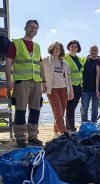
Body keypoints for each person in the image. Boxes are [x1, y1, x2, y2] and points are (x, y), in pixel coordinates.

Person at [5, 20, 46, 148]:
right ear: (26, 28)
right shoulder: (15, 43)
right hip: (21, 81)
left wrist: (44, 81)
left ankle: (33, 136)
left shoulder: (37, 46)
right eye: (31, 27)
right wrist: (9, 79)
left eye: (35, 28)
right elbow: (8, 62)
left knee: (35, 110)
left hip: (36, 82)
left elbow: (41, 65)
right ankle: (21, 138)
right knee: (20, 109)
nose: (33, 29)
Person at [43, 42, 74, 137]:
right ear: (51, 49)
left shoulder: (64, 63)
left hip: (64, 88)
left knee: (62, 111)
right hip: (52, 89)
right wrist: (42, 83)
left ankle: (56, 130)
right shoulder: (45, 60)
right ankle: (63, 131)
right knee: (58, 111)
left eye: (59, 49)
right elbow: (41, 73)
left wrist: (71, 91)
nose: (57, 50)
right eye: (55, 48)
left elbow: (68, 78)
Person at [64, 40, 83, 131]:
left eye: (76, 46)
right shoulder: (64, 57)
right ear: (69, 47)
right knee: (70, 108)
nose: (74, 48)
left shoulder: (79, 59)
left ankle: (69, 127)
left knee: (72, 108)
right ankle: (71, 128)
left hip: (79, 86)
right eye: (72, 46)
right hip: (69, 86)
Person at [81, 45, 100, 123]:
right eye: (92, 50)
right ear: (89, 51)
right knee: (84, 108)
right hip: (85, 89)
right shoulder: (84, 60)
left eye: (95, 50)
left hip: (97, 90)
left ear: (98, 52)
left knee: (95, 109)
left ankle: (93, 125)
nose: (94, 52)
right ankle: (84, 125)